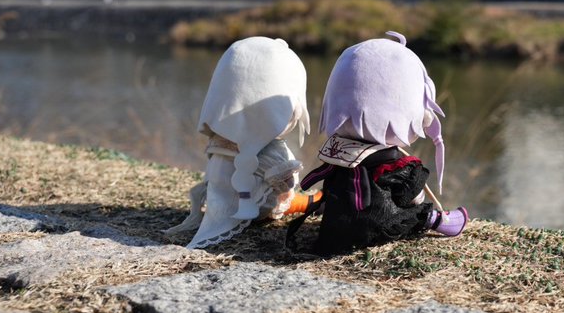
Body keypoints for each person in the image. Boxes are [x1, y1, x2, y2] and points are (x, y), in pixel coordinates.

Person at [289, 32, 467, 254]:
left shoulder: (339, 149)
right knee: (417, 215)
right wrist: (417, 185)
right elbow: (407, 194)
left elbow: (325, 179)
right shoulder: (395, 162)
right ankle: (438, 220)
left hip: (333, 229)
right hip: (373, 227)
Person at [166, 37, 310, 249]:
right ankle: (305, 202)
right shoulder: (272, 149)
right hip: (255, 208)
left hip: (220, 196)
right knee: (289, 190)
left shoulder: (221, 136)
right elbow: (281, 183)